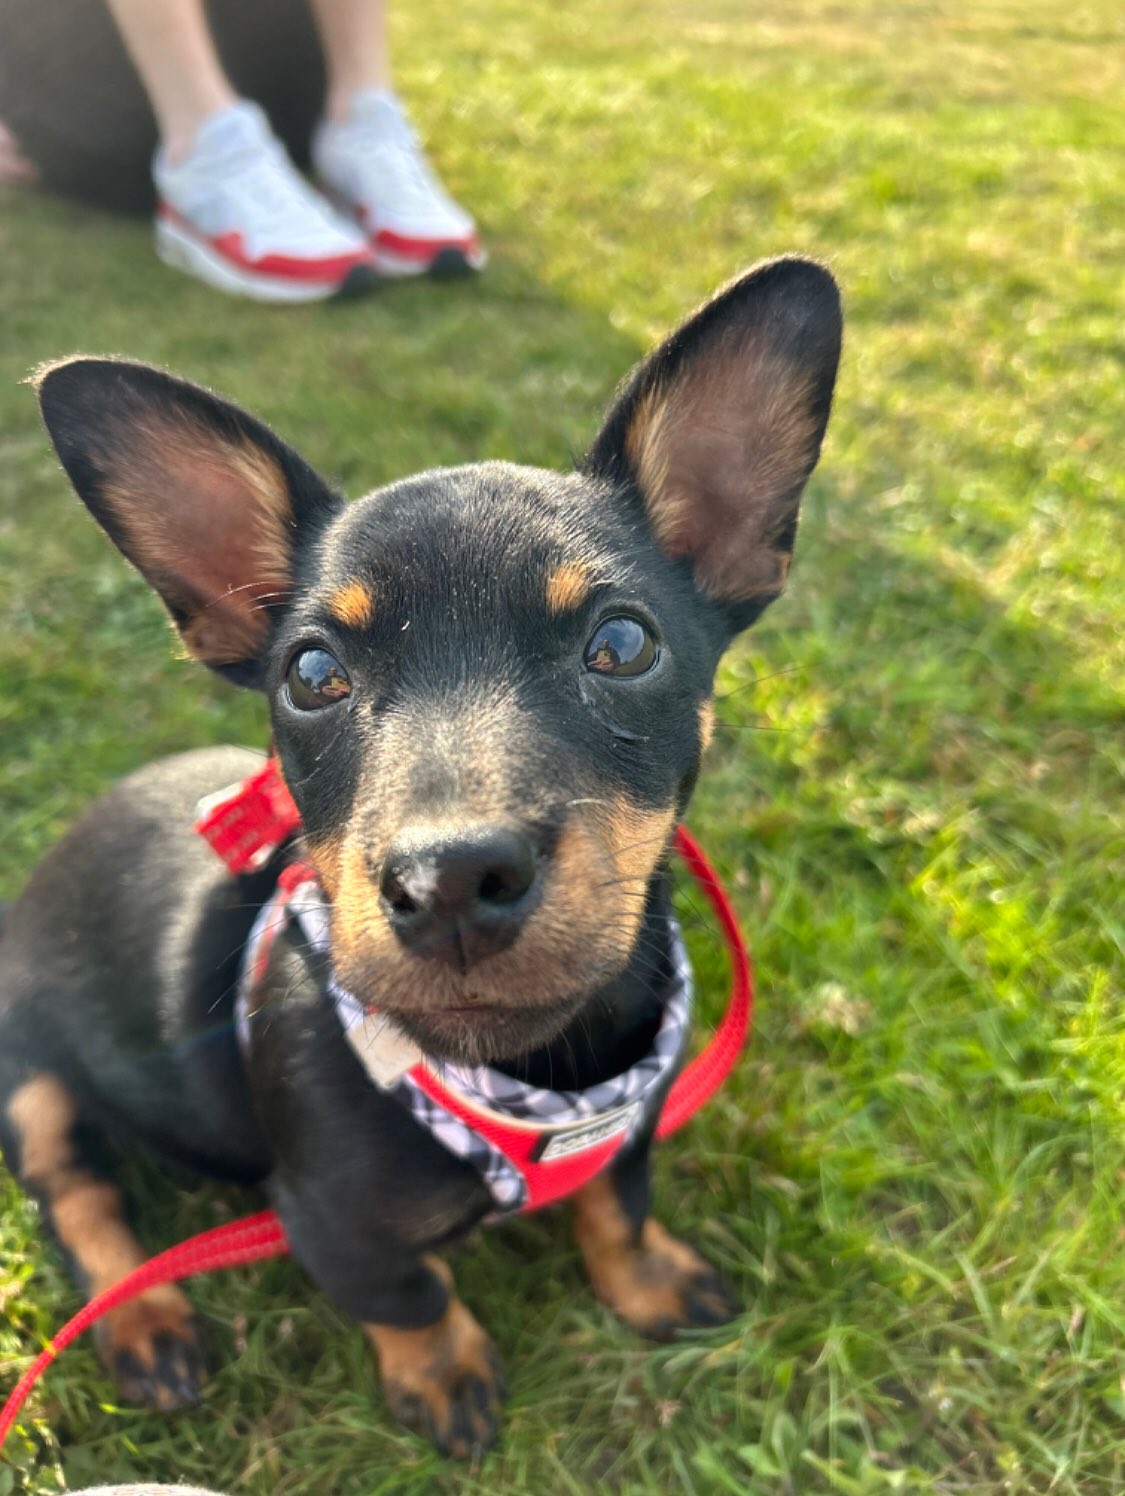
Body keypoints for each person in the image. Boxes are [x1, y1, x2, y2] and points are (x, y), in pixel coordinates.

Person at [2, 0, 483, 301]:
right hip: (95, 62)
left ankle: (360, 111)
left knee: (295, 98)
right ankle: (200, 142)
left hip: (277, 59)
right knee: (119, 142)